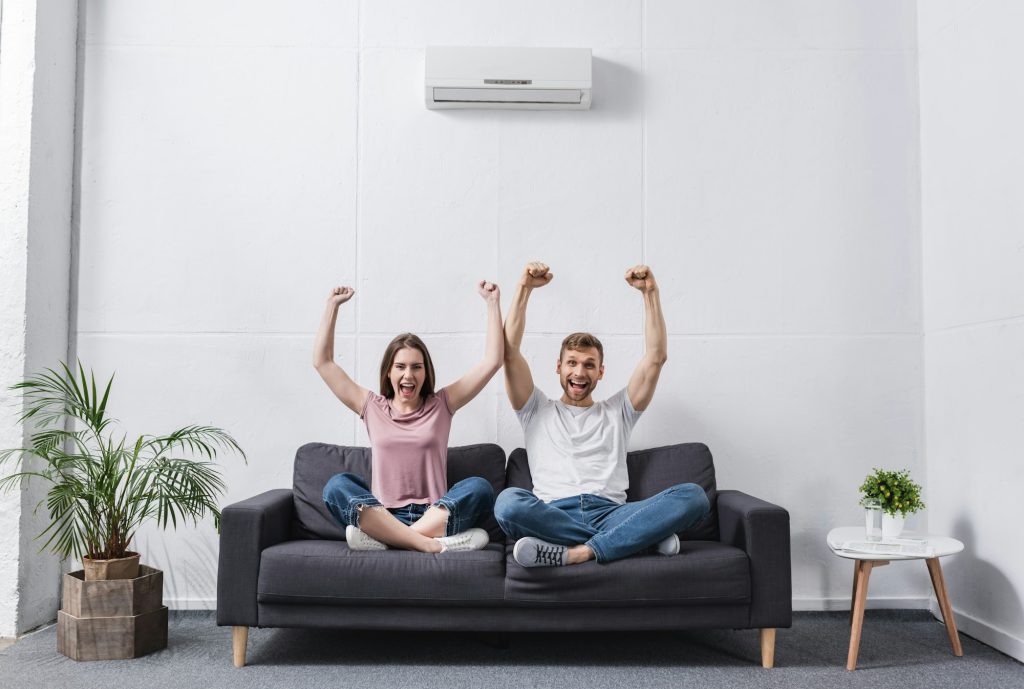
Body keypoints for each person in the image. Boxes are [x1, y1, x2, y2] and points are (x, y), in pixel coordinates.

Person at [494, 261, 710, 567]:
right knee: (508, 503)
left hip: (611, 511)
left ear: (601, 372)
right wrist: (523, 288)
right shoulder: (535, 409)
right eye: (571, 363)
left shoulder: (618, 411)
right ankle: (632, 540)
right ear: (559, 368)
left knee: (694, 497)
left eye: (588, 364)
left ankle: (579, 552)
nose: (579, 372)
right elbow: (509, 352)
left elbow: (655, 358)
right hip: (553, 512)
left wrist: (650, 293)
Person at [315, 281, 503, 553]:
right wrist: (332, 306)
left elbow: (493, 361)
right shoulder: (371, 406)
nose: (408, 375)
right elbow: (323, 363)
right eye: (400, 367)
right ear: (388, 373)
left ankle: (390, 540)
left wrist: (492, 303)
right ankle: (430, 545)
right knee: (336, 486)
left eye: (417, 367)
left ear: (426, 373)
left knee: (480, 488)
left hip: (435, 515)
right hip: (383, 515)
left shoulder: (442, 404)